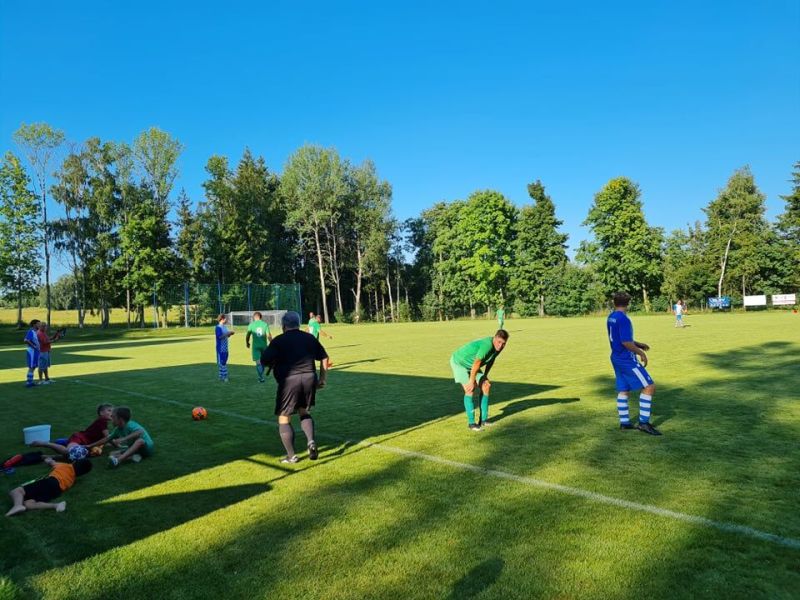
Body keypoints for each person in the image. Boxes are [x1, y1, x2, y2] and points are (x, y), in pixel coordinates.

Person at [261, 311, 330, 463]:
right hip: (309, 378)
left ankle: (291, 456)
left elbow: (264, 360)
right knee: (304, 410)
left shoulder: (279, 341)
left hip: (289, 381)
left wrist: (273, 361)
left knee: (284, 417)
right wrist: (322, 379)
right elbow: (324, 357)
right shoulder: (309, 338)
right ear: (298, 324)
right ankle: (311, 441)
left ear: (284, 326)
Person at [607, 292, 661, 435]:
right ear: (628, 304)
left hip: (616, 357)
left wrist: (638, 344)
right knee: (649, 387)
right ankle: (643, 423)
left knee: (624, 389)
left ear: (614, 302)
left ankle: (624, 422)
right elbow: (625, 342)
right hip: (626, 359)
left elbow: (621, 339)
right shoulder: (624, 319)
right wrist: (641, 353)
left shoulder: (611, 317)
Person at [450, 331, 509, 431]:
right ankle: (472, 424)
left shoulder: (499, 348)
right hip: (459, 363)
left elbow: (491, 360)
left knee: (486, 385)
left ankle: (483, 420)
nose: (500, 345)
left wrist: (485, 375)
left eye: (503, 343)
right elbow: (477, 363)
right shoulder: (487, 345)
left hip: (472, 365)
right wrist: (472, 381)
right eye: (499, 342)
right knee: (469, 390)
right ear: (494, 338)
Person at [6, 456, 92, 517]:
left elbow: (52, 463)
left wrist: (48, 460)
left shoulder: (65, 466)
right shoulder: (72, 479)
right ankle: (56, 505)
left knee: (16, 491)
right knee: (28, 503)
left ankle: (17, 505)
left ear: (74, 462)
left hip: (49, 482)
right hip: (57, 491)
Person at [31, 404, 113, 457]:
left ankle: (50, 455)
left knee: (75, 455)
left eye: (112, 411)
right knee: (68, 452)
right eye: (109, 410)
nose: (112, 413)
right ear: (101, 413)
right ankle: (45, 443)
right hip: (80, 438)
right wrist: (118, 445)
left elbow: (108, 440)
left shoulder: (103, 422)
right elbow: (108, 437)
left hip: (85, 441)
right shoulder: (102, 421)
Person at [246, 312, 272, 383]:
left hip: (255, 347)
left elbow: (248, 335)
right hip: (264, 346)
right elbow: (268, 335)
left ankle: (261, 377)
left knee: (258, 363)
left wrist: (247, 342)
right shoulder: (265, 324)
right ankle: (261, 375)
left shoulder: (251, 325)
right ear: (261, 317)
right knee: (262, 362)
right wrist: (272, 343)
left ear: (254, 317)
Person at [215, 314, 235, 382]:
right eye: (225, 318)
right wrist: (227, 333)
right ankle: (225, 376)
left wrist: (230, 334)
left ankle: (221, 376)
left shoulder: (224, 327)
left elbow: (226, 336)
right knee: (222, 362)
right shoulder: (218, 327)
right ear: (222, 319)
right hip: (220, 348)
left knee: (224, 362)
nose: (226, 320)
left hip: (225, 347)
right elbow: (219, 337)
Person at [23, 319, 40, 388]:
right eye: (38, 324)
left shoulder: (37, 332)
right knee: (31, 367)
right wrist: (33, 346)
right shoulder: (31, 331)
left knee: (34, 366)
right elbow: (26, 340)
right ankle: (28, 382)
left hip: (36, 351)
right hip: (32, 351)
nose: (39, 325)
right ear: (34, 324)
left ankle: (30, 381)